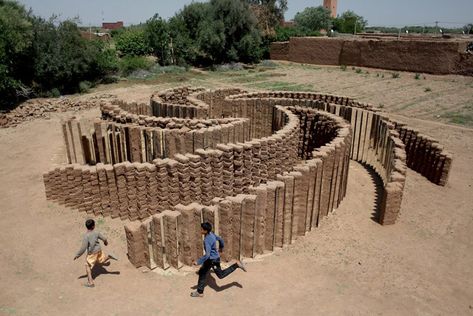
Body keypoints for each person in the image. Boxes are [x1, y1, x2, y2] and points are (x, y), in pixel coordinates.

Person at [191, 222, 246, 298]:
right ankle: (200, 292)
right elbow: (220, 239)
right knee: (202, 272)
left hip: (212, 260)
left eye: (201, 229)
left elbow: (207, 255)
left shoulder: (207, 240)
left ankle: (236, 265)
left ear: (205, 231)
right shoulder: (211, 234)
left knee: (221, 275)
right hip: (213, 258)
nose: (200, 230)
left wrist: (198, 262)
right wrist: (221, 247)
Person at [74, 219, 117, 287]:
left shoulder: (86, 236)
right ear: (93, 226)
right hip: (99, 250)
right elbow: (104, 238)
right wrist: (106, 243)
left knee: (87, 265)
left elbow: (83, 248)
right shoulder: (96, 232)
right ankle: (109, 256)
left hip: (92, 253)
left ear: (86, 226)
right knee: (101, 261)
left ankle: (91, 282)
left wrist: (77, 255)